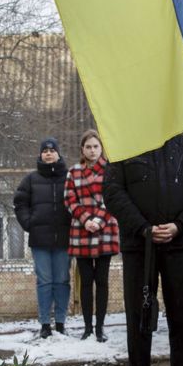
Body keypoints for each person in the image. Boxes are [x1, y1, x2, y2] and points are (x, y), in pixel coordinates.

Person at [105, 134, 183, 366]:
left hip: (180, 244)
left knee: (181, 315)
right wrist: (143, 228)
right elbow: (113, 193)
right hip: (139, 246)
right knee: (139, 316)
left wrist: (180, 225)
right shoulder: (126, 145)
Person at [64, 130, 120, 341]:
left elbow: (114, 197)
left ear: (101, 148)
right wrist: (86, 219)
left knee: (102, 281)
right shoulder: (73, 172)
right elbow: (70, 200)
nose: (92, 150)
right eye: (88, 147)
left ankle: (100, 327)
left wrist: (98, 220)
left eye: (96, 146)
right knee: (85, 281)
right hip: (82, 230)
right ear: (82, 149)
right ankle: (87, 327)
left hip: (105, 229)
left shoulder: (111, 170)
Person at [14, 138, 72, 339]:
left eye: (52, 150)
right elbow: (20, 203)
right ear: (40, 155)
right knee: (45, 281)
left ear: (58, 154)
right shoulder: (31, 179)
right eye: (45, 151)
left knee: (62, 281)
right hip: (40, 241)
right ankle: (45, 323)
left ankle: (61, 322)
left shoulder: (69, 177)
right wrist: (29, 223)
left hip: (65, 239)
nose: (48, 153)